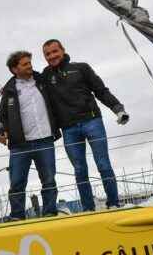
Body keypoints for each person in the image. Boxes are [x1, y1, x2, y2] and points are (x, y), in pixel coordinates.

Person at [42, 39, 129, 211]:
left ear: (63, 50)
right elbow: (27, 80)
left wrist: (118, 109)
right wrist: (9, 87)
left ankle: (113, 204)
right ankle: (88, 208)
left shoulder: (81, 68)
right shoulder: (45, 76)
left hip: (92, 121)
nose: (52, 56)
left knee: (103, 164)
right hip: (69, 129)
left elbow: (101, 90)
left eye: (54, 51)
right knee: (80, 170)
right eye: (47, 54)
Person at [0, 50, 61, 221]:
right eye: (25, 64)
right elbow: (1, 116)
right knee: (17, 182)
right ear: (14, 69)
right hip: (19, 144)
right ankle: (17, 216)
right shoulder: (9, 90)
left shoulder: (42, 81)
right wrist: (1, 131)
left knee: (48, 179)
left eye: (30, 63)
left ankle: (50, 212)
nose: (30, 67)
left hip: (45, 139)